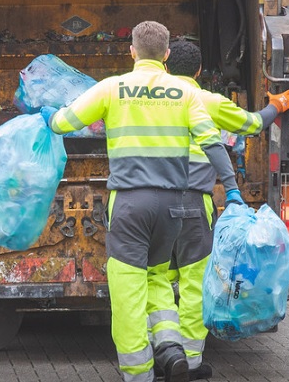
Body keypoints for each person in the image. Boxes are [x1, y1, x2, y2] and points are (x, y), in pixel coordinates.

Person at [46, 21, 240, 382]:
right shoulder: (186, 95)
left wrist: (48, 118)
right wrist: (232, 189)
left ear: (132, 51)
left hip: (131, 205)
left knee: (128, 291)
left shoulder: (112, 88)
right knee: (157, 279)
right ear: (167, 55)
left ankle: (138, 373)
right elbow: (213, 142)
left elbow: (65, 122)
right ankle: (171, 348)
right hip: (173, 209)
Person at [162, 40, 289, 379]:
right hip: (193, 205)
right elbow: (252, 124)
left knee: (157, 281)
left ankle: (163, 350)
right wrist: (276, 106)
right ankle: (190, 363)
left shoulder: (147, 99)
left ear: (165, 67)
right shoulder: (206, 100)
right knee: (194, 284)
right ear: (197, 71)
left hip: (150, 204)